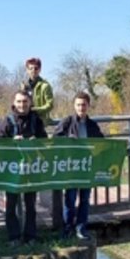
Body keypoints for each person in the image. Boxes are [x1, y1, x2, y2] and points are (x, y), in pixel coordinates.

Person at [53, 91, 105, 240]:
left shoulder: (92, 125)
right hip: (71, 167)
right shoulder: (67, 121)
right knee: (69, 199)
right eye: (78, 105)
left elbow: (102, 142)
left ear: (88, 106)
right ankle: (67, 229)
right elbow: (55, 138)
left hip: (87, 167)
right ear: (74, 106)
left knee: (85, 199)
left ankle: (81, 228)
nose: (81, 107)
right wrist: (68, 139)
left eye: (83, 105)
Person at [0, 90, 47, 245]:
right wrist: (12, 141)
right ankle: (14, 237)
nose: (22, 105)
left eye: (25, 102)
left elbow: (44, 140)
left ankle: (30, 236)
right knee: (11, 204)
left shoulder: (36, 120)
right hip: (12, 169)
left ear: (30, 103)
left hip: (31, 168)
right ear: (14, 103)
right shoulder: (7, 120)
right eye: (19, 102)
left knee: (30, 204)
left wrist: (36, 141)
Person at [22, 57, 62, 233]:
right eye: (30, 68)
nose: (33, 71)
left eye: (36, 68)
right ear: (27, 69)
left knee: (42, 163)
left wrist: (34, 109)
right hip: (26, 126)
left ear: (40, 69)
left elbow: (49, 104)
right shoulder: (24, 85)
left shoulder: (45, 86)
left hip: (40, 125)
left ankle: (50, 206)